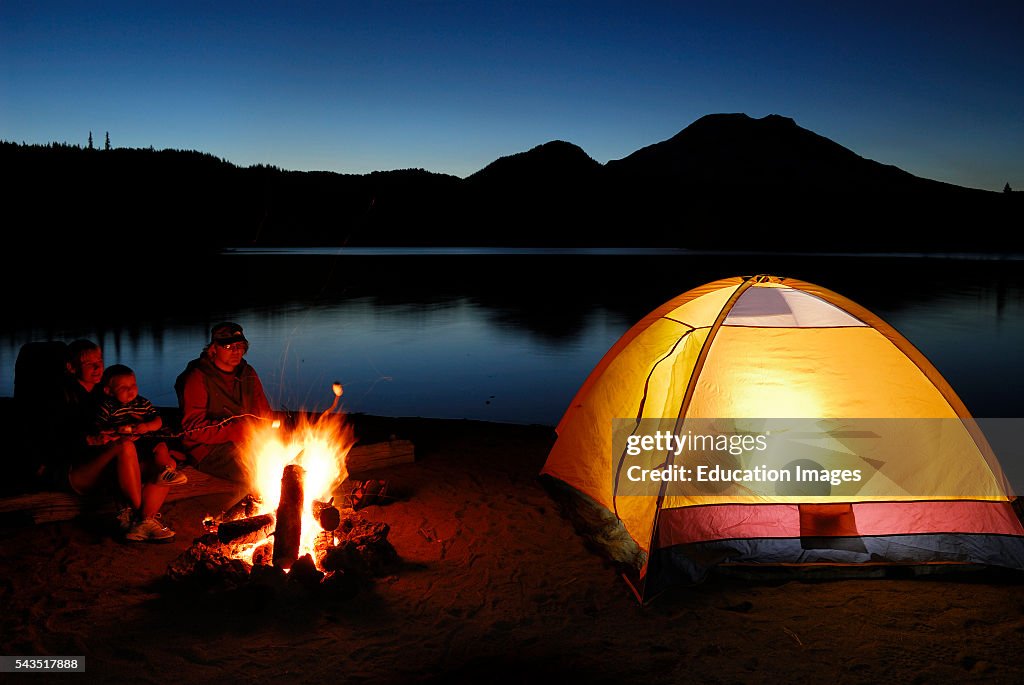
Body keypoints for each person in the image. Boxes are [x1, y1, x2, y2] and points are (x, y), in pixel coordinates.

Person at [58, 340, 176, 542]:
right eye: (89, 363)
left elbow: (139, 419)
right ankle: (142, 516)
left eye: (100, 361)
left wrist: (138, 429)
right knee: (124, 445)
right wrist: (91, 439)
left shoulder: (108, 392)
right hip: (79, 471)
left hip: (113, 469)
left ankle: (144, 522)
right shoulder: (61, 396)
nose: (98, 367)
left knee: (167, 467)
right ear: (71, 367)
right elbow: (54, 440)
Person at [174, 322, 274, 485]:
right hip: (207, 449)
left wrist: (270, 431)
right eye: (228, 346)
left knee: (285, 454)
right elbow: (193, 429)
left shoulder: (247, 373)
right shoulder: (197, 377)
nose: (236, 351)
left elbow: (264, 413)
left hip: (244, 441)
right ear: (214, 348)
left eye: (240, 345)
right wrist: (240, 430)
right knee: (260, 471)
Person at [96, 364, 188, 487]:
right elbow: (99, 427)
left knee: (160, 446)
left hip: (144, 438)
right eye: (124, 387)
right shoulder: (108, 406)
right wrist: (116, 430)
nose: (130, 390)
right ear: (109, 390)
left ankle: (165, 471)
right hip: (123, 444)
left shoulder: (142, 403)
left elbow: (158, 421)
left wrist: (147, 426)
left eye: (133, 385)